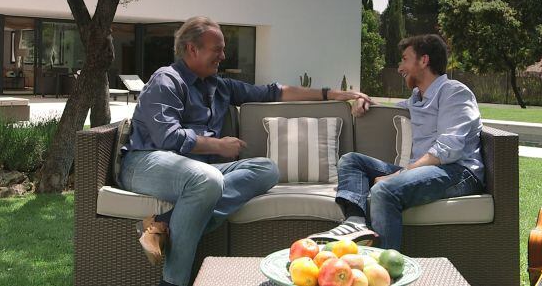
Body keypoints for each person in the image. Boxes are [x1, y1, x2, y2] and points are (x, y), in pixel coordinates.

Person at [118, 16, 372, 286]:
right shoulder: (167, 80)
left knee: (267, 169)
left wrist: (333, 95)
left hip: (200, 173)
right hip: (146, 163)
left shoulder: (220, 86)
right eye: (217, 49)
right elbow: (166, 137)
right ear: (192, 49)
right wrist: (218, 145)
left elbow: (274, 92)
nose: (223, 56)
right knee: (207, 180)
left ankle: (162, 224)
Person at [308, 34, 485, 251]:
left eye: (404, 59)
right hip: (427, 170)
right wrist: (364, 101)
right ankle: (355, 222)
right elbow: (387, 108)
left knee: (385, 190)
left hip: (459, 172)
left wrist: (399, 175)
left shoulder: (454, 92)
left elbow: (448, 149)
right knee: (351, 161)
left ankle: (384, 270)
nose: (400, 67)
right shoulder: (417, 98)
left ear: (424, 60)